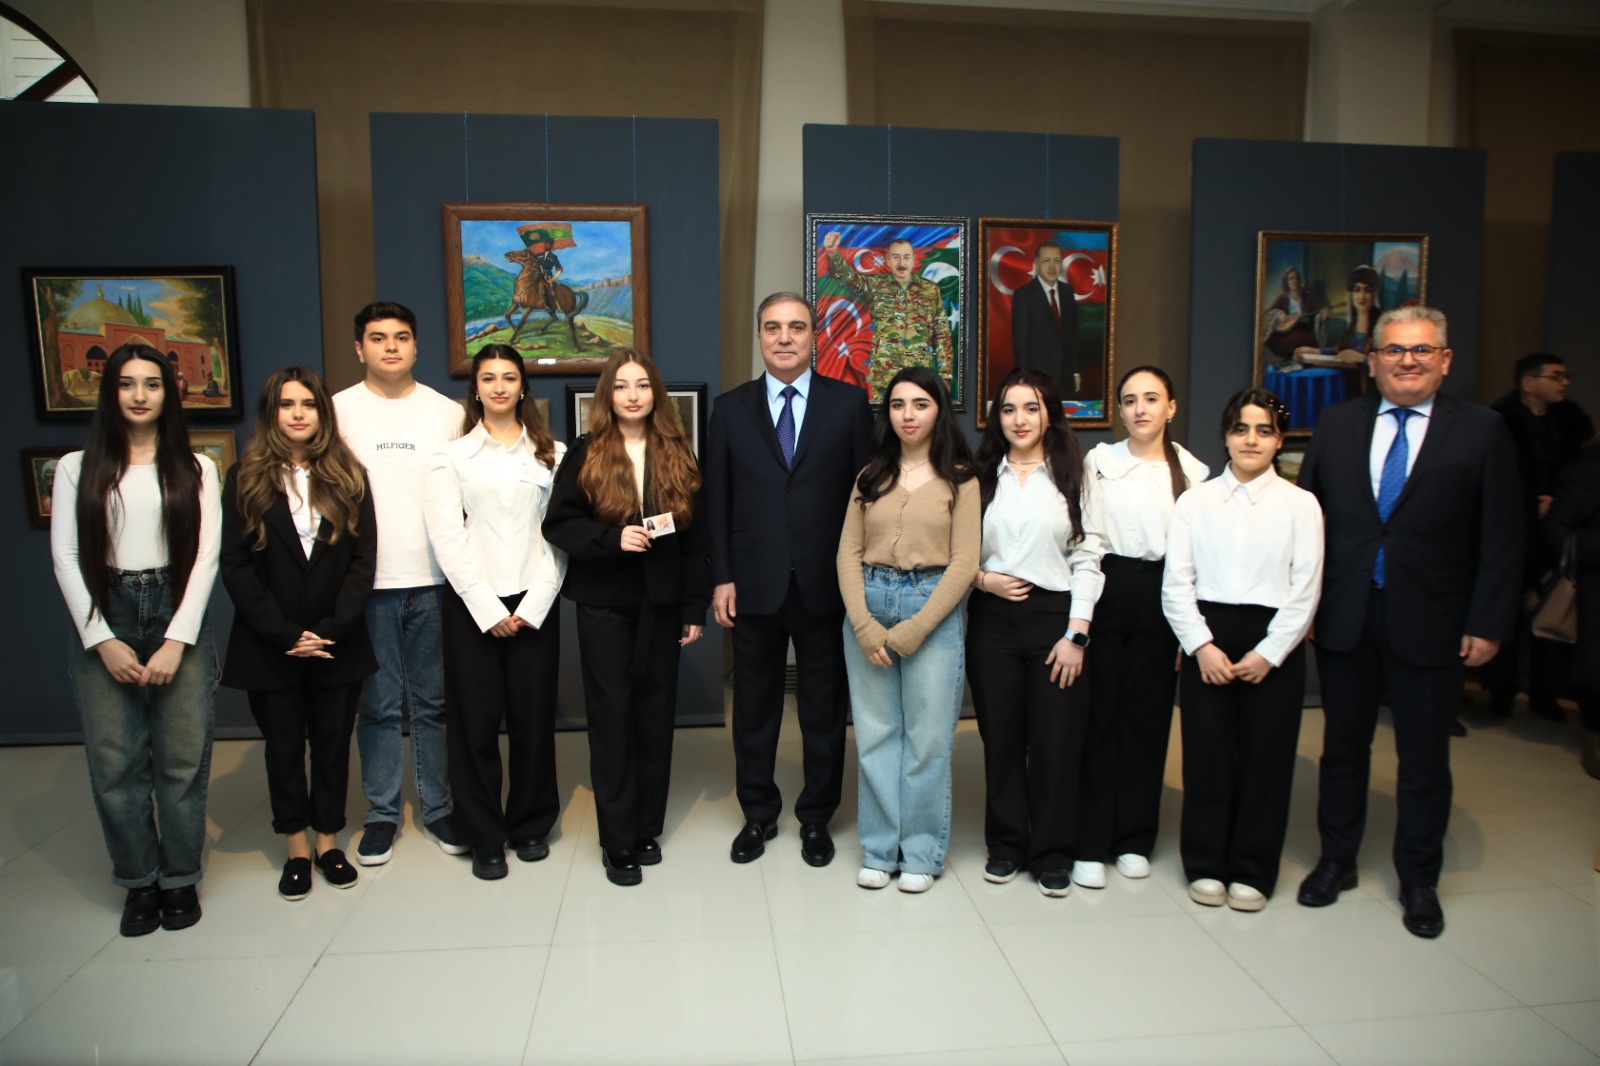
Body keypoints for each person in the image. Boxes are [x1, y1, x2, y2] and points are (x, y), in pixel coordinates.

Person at [1296, 306, 1521, 938]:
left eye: (1422, 350)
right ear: (1372, 361)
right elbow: (1308, 524)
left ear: (1444, 360)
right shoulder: (1338, 423)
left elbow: (1502, 535)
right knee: (1343, 751)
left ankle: (1419, 879)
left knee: (1424, 760)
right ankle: (1336, 860)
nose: (1407, 361)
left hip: (1435, 620)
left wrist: (1487, 621)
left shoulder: (1482, 430)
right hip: (1346, 615)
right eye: (1394, 350)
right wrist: (1305, 605)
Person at [50, 342, 221, 936]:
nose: (140, 395)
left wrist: (178, 639)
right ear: (110, 392)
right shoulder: (76, 467)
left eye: (152, 383)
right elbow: (66, 558)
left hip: (176, 608)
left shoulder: (197, 468)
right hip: (107, 610)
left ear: (168, 393)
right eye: (127, 383)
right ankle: (138, 880)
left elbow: (205, 558)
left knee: (182, 761)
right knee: (116, 764)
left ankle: (179, 877)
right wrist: (101, 638)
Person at [705, 292, 872, 868]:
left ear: (813, 336)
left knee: (824, 711)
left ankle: (817, 817)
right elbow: (717, 501)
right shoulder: (730, 409)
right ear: (759, 336)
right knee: (754, 710)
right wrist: (721, 577)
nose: (784, 337)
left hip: (828, 585)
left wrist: (861, 580)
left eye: (796, 327)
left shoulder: (849, 405)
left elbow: (866, 498)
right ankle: (758, 813)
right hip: (753, 584)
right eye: (772, 327)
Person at [543, 349, 709, 886]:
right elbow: (558, 524)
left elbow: (695, 539)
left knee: (654, 717)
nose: (632, 395)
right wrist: (610, 539)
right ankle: (616, 840)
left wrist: (694, 607)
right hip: (605, 604)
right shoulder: (586, 452)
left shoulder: (677, 453)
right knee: (612, 718)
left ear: (655, 393)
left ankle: (645, 829)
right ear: (607, 396)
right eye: (621, 386)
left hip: (663, 603)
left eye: (641, 385)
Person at [1162, 387, 1322, 912]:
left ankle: (1253, 868)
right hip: (1208, 635)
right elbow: (1176, 584)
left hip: (1273, 640)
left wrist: (1269, 653)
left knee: (1265, 760)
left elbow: (1306, 589)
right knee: (1206, 757)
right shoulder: (1196, 501)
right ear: (1226, 436)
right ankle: (1205, 863)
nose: (1251, 440)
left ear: (1279, 440)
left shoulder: (1301, 505)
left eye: (1264, 430)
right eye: (1240, 429)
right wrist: (1201, 645)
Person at [219, 367, 376, 901]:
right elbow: (236, 567)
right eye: (287, 404)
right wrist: (286, 633)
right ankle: (297, 850)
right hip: (271, 645)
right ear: (272, 413)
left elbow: (363, 562)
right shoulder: (244, 478)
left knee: (332, 747)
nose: (298, 413)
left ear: (322, 412)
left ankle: (328, 843)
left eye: (308, 403)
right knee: (284, 749)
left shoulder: (350, 475)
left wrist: (331, 630)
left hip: (336, 643)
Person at [424, 345, 566, 881]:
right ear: (476, 388)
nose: (500, 387)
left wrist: (533, 605)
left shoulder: (553, 453)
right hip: (472, 605)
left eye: (509, 377)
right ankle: (484, 834)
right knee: (474, 727)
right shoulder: (451, 457)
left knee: (533, 722)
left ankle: (530, 825)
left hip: (534, 604)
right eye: (489, 378)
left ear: (523, 386)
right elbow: (448, 539)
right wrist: (487, 608)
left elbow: (559, 536)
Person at [332, 301, 467, 865]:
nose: (391, 346)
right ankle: (383, 814)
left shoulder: (447, 413)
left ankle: (438, 807)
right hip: (366, 585)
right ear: (359, 348)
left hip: (435, 580)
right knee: (380, 706)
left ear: (416, 346)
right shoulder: (336, 411)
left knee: (434, 705)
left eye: (402, 337)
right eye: (378, 337)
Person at [837, 366, 980, 893]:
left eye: (920, 404)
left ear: (939, 410)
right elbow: (847, 553)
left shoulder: (961, 479)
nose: (908, 415)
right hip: (870, 603)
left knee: (927, 741)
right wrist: (863, 625)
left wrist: (917, 629)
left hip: (932, 608)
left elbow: (964, 563)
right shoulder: (870, 476)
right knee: (876, 736)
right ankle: (879, 851)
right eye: (897, 405)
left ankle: (920, 853)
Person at [967, 368, 1104, 897]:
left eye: (1031, 408)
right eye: (1008, 409)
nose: (1019, 420)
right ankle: (1006, 846)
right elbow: (956, 552)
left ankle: (1051, 852)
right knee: (1001, 740)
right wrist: (983, 580)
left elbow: (1089, 557)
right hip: (993, 620)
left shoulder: (1075, 475)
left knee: (1055, 742)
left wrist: (1077, 634)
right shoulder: (980, 475)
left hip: (1055, 620)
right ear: (996, 418)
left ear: (1050, 414)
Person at [1074, 366, 1210, 889]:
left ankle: (1133, 838)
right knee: (1098, 717)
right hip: (1107, 588)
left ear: (1171, 407)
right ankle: (1090, 840)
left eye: (1152, 399)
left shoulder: (1193, 473)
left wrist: (1188, 631)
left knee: (1147, 720)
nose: (1140, 409)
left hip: (1163, 595)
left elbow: (1195, 557)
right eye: (1130, 400)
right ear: (1119, 410)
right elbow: (1086, 539)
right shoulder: (1099, 462)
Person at [1486, 352, 1593, 720]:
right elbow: (1495, 479)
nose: (1565, 383)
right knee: (1507, 611)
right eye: (1556, 376)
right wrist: (1530, 501)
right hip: (1514, 530)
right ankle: (1501, 690)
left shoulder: (1571, 423)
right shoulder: (1501, 422)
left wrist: (1558, 502)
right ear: (1529, 383)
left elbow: (1581, 476)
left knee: (1555, 609)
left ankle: (1545, 691)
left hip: (1557, 532)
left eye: (1565, 376)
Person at [820, 231, 954, 403]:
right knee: (883, 419)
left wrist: (945, 375)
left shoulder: (930, 290)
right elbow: (849, 278)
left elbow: (942, 333)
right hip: (884, 377)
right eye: (896, 257)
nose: (901, 263)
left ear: (913, 260)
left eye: (906, 257)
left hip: (920, 375)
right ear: (888, 261)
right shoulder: (876, 286)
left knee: (916, 416)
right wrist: (833, 253)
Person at [1544, 443, 1600, 779]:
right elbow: (1555, 530)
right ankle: (1594, 737)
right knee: (1593, 672)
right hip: (1592, 590)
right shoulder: (1588, 473)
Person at [1010, 243, 1081, 395]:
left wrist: (1075, 372)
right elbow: (1020, 345)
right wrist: (1024, 380)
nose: (1052, 267)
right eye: (1046, 260)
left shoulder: (1067, 291)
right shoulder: (1024, 295)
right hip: (1037, 380)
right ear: (1036, 263)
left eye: (1057, 261)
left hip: (1066, 379)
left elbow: (1072, 336)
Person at [1261, 266, 1319, 365]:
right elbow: (1271, 312)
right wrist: (1279, 313)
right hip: (1288, 329)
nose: (1294, 281)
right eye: (1291, 278)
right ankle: (1286, 361)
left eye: (1297, 278)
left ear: (1300, 280)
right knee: (1273, 340)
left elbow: (1315, 311)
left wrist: (1321, 312)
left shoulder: (1307, 296)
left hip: (1304, 328)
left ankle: (1298, 360)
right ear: (1286, 282)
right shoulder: (1283, 298)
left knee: (1301, 337)